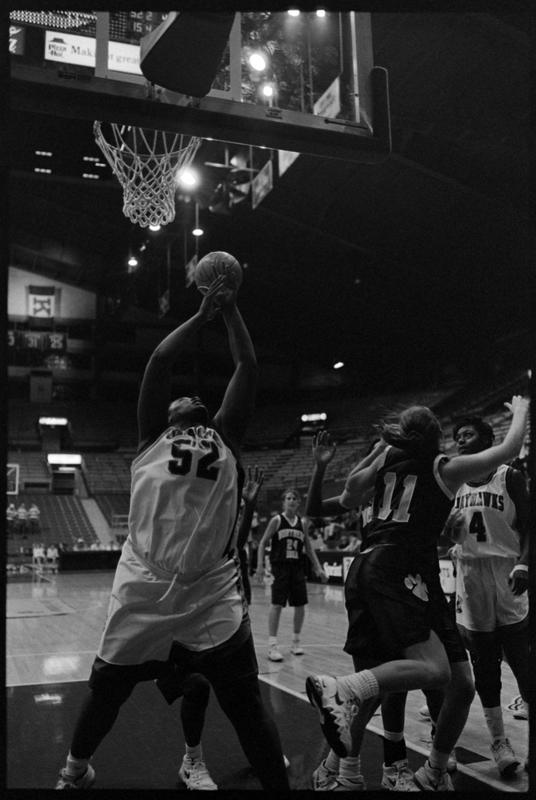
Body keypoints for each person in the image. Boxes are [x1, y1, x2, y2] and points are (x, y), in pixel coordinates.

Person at [55, 274, 289, 792]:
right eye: (179, 398)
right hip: (144, 582)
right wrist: (201, 316)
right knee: (108, 688)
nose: (189, 395)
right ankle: (73, 772)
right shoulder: (151, 440)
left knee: (245, 703)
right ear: (165, 417)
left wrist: (231, 310)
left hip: (210, 588)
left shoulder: (226, 437)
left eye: (193, 396)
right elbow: (159, 361)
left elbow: (248, 366)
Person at [304, 397, 528, 792]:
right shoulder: (442, 468)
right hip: (398, 571)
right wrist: (522, 409)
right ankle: (360, 753)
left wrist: (376, 452)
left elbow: (350, 494)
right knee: (411, 678)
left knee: (457, 684)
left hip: (403, 573)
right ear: (436, 436)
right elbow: (509, 448)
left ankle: (426, 770)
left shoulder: (385, 465)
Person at [445, 415, 529, 778]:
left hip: (508, 573)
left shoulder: (509, 477)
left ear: (487, 439)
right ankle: (498, 742)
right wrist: (448, 535)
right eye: (458, 436)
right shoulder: (452, 483)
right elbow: (445, 534)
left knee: (523, 663)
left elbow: (530, 526)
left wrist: (524, 563)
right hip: (471, 577)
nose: (461, 440)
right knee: (485, 666)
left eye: (468, 434)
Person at [256, 488, 328, 662]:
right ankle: (272, 646)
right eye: (288, 498)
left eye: (294, 498)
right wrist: (259, 565)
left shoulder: (302, 523)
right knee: (277, 605)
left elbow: (308, 548)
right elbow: (262, 542)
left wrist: (318, 568)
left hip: (297, 567)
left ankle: (296, 642)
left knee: (300, 605)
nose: (291, 500)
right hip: (280, 567)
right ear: (283, 502)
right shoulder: (277, 520)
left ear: (298, 503)